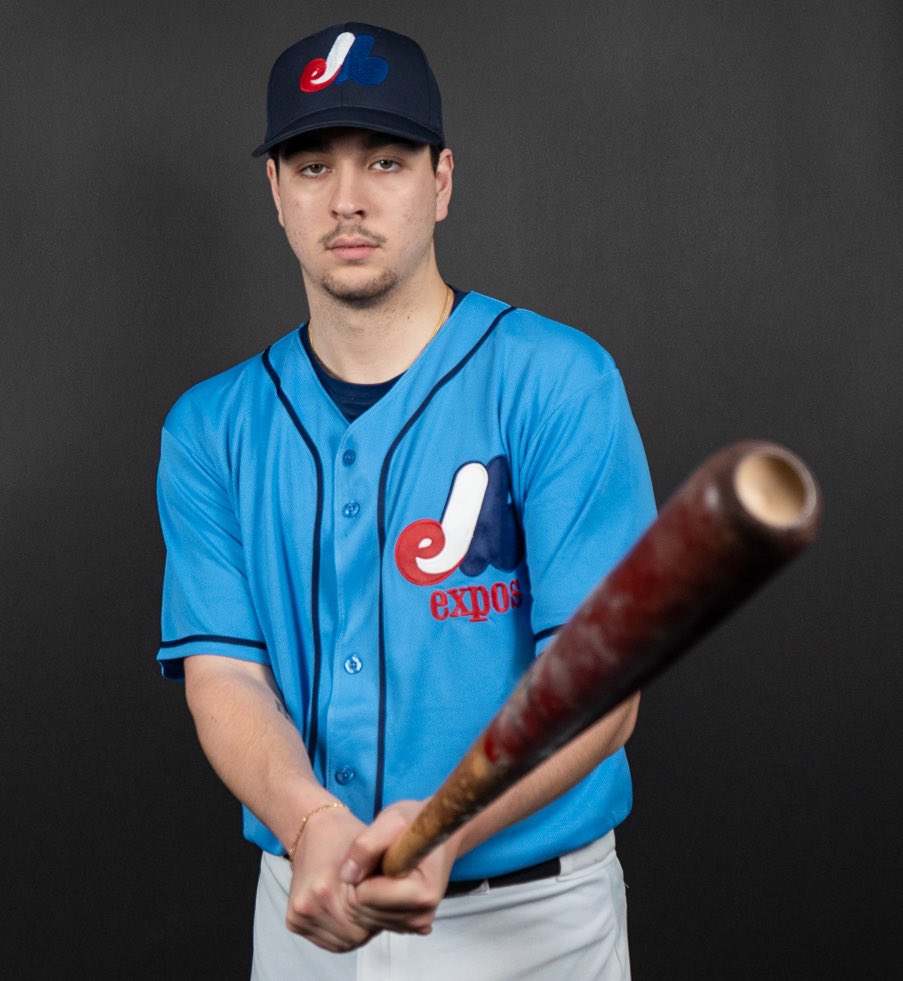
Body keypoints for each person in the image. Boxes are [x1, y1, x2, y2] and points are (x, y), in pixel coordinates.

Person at [156, 21, 656, 980]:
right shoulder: (209, 428)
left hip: (533, 920)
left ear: (441, 180)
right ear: (274, 191)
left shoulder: (557, 381)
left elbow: (598, 689)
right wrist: (304, 821)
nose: (346, 200)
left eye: (384, 161)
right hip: (304, 909)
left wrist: (447, 825)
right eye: (310, 167)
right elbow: (227, 674)